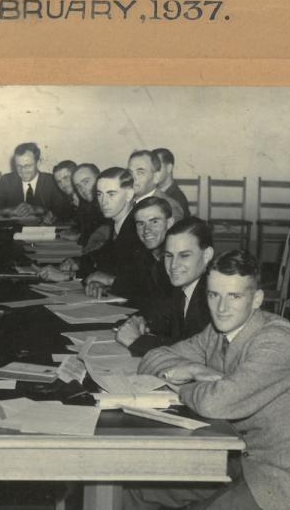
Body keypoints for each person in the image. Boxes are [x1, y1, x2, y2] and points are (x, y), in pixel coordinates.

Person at [118, 249, 290, 510]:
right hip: (244, 460)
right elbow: (155, 357)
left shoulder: (276, 340)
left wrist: (185, 385)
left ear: (256, 300)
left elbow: (216, 404)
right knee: (134, 487)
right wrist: (196, 369)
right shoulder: (218, 332)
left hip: (286, 475)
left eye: (234, 296)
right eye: (214, 295)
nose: (222, 308)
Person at [116, 210, 210, 354]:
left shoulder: (213, 294)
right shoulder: (184, 287)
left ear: (207, 255)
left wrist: (137, 341)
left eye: (184, 255)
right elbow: (164, 319)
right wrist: (143, 321)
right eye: (168, 255)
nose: (173, 265)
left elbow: (196, 351)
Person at [81, 167, 149, 300]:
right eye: (100, 194)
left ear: (129, 194)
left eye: (111, 194)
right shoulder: (117, 223)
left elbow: (144, 283)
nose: (104, 202)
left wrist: (109, 280)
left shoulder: (139, 227)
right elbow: (105, 262)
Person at [0, 141, 73, 221]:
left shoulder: (51, 181)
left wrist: (41, 211)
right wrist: (12, 211)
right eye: (19, 166)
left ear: (38, 163)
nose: (23, 171)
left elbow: (66, 213)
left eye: (28, 166)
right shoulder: (7, 181)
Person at [153, 147, 191, 219]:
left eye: (157, 167)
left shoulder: (177, 198)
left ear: (169, 168)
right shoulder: (154, 191)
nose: (153, 172)